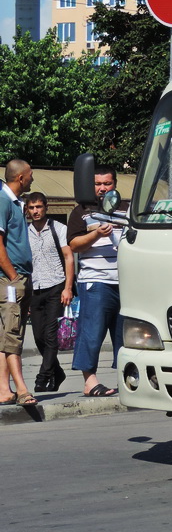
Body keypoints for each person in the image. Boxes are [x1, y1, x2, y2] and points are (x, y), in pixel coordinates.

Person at [68, 166, 127, 397]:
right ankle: (89, 381)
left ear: (115, 183)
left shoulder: (127, 208)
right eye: (98, 184)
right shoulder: (81, 212)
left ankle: (128, 378)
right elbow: (74, 245)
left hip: (126, 281)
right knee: (91, 332)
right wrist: (95, 235)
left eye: (107, 183)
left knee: (127, 334)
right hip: (95, 280)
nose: (102, 188)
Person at [25, 191, 74, 393]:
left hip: (56, 286)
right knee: (38, 336)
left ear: (45, 207)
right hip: (35, 289)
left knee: (51, 336)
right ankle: (57, 372)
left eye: (39, 207)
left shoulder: (58, 228)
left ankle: (43, 377)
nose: (36, 211)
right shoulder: (24, 232)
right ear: (27, 210)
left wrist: (68, 288)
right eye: (32, 207)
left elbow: (69, 258)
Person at [0, 159, 36, 406]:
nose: (33, 179)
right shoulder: (3, 201)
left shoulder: (14, 202)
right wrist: (13, 277)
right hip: (10, 279)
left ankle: (4, 390)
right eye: (30, 175)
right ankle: (22, 389)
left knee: (7, 335)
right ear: (21, 177)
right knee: (13, 335)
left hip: (19, 277)